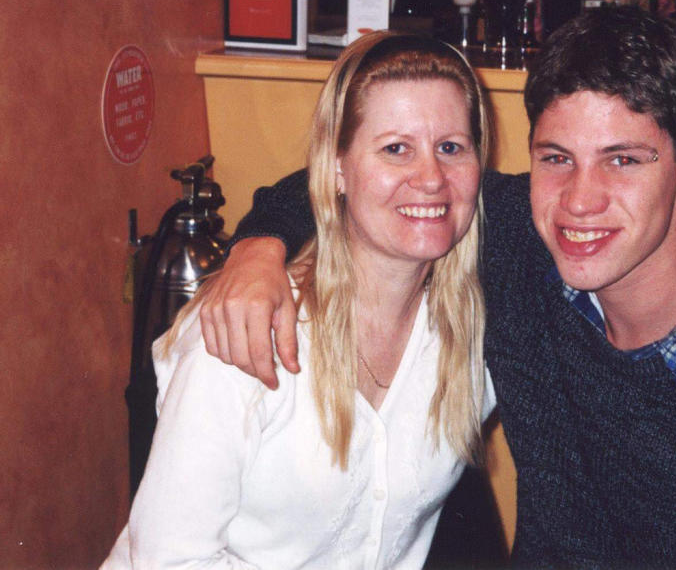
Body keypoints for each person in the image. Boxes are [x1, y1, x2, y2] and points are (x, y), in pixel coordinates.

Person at [200, 7, 676, 567]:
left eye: (622, 159)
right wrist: (259, 247)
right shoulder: (524, 251)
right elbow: (363, 188)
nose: (578, 202)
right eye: (556, 159)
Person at [102, 32, 496, 569]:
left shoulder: (472, 335)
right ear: (336, 170)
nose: (430, 177)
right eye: (395, 149)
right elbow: (169, 561)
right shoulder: (247, 328)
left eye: (451, 147)